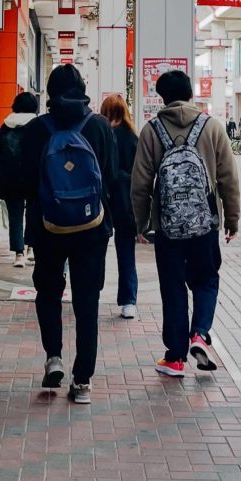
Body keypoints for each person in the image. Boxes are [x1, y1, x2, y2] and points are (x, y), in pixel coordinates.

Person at [132, 69, 240, 378]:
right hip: (205, 225)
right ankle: (200, 335)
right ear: (191, 94)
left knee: (173, 287)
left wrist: (141, 224)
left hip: (168, 228)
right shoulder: (212, 127)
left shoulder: (151, 130)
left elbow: (140, 183)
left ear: (161, 98)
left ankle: (176, 358)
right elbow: (228, 178)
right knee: (206, 280)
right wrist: (232, 219)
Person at [21, 65, 116, 405]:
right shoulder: (100, 127)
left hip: (48, 227)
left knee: (48, 292)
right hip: (92, 228)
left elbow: (23, 182)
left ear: (48, 92)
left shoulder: (36, 129)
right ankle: (83, 381)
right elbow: (111, 179)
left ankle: (54, 357)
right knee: (87, 301)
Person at [100, 94, 139, 320]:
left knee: (97, 252)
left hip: (103, 202)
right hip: (126, 203)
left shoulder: (101, 135)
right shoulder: (133, 137)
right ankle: (128, 301)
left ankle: (92, 292)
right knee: (126, 254)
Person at [0, 91, 39, 268]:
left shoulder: (6, 125)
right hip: (33, 177)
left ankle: (19, 254)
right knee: (33, 213)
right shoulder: (37, 124)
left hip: (11, 178)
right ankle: (31, 248)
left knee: (15, 216)